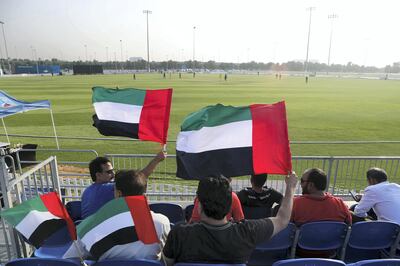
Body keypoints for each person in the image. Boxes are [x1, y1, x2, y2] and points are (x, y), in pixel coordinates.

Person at [162, 173, 298, 265]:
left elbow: (166, 263)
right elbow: (283, 219)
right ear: (229, 205)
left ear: (199, 206)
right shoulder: (247, 232)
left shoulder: (179, 233)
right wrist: (290, 187)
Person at [97, 169, 171, 261]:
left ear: (119, 194)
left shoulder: (96, 224)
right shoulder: (161, 222)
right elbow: (168, 255)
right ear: (144, 194)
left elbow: (75, 258)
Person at [81, 151, 165, 219]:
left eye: (113, 170)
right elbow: (138, 179)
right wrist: (156, 160)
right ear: (98, 175)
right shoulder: (106, 189)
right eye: (109, 172)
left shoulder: (87, 191)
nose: (113, 174)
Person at [291, 168, 352, 258]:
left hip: (301, 253)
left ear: (311, 185)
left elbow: (286, 228)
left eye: (302, 181)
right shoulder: (340, 203)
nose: (300, 184)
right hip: (330, 253)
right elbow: (349, 225)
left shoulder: (295, 203)